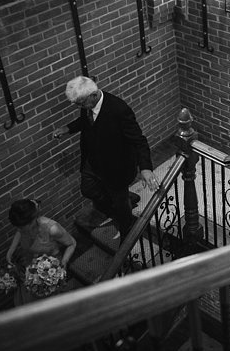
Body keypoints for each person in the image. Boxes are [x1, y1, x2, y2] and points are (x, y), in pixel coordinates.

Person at [53, 76, 159, 242]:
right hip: (92, 161)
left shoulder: (119, 110)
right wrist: (68, 128)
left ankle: (127, 231)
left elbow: (139, 140)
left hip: (116, 166)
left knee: (121, 204)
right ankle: (125, 202)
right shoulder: (87, 103)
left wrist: (145, 168)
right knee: (88, 190)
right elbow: (86, 121)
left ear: (94, 95)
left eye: (80, 104)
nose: (79, 107)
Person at [6, 199, 77, 305]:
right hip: (31, 267)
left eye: (22, 228)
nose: (19, 230)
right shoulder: (22, 227)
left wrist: (64, 262)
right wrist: (11, 250)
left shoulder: (52, 229)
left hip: (50, 271)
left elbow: (72, 243)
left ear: (33, 220)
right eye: (18, 227)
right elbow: (19, 232)